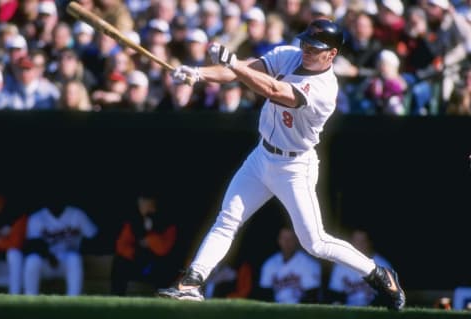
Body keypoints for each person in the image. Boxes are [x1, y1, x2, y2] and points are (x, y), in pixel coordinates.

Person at [157, 19, 405, 311]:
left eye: (315, 47)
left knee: (315, 242)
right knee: (227, 219)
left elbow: (274, 90)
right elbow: (242, 70)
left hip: (295, 167)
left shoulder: (325, 89)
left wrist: (235, 65)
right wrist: (198, 74)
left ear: (331, 54)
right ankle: (193, 281)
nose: (307, 50)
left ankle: (378, 274)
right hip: (262, 156)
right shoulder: (290, 55)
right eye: (306, 43)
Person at [22, 198, 98, 295]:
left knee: (74, 258)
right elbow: (32, 245)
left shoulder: (76, 214)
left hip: (65, 262)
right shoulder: (37, 217)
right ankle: (30, 298)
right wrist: (48, 255)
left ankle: (74, 299)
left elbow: (93, 236)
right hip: (46, 263)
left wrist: (79, 249)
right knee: (32, 260)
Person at [110, 192, 178, 295]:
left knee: (165, 266)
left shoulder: (168, 224)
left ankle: (163, 298)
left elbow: (164, 249)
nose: (146, 210)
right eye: (143, 206)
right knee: (119, 263)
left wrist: (149, 240)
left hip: (158, 266)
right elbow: (121, 246)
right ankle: (116, 298)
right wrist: (136, 252)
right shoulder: (133, 222)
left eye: (149, 206)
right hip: (138, 263)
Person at [326, 228, 394, 307]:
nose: (359, 246)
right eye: (356, 242)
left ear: (370, 242)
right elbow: (334, 295)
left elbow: (390, 297)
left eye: (362, 242)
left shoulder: (383, 265)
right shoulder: (341, 265)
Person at [257, 226, 322, 304]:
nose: (287, 242)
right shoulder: (269, 264)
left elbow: (312, 296)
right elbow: (265, 294)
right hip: (276, 309)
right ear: (279, 240)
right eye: (284, 238)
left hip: (299, 310)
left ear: (297, 240)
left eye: (290, 239)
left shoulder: (309, 264)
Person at [0, 191, 27, 294]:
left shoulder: (17, 216)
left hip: (14, 262)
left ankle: (14, 294)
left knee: (14, 254)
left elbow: (16, 243)